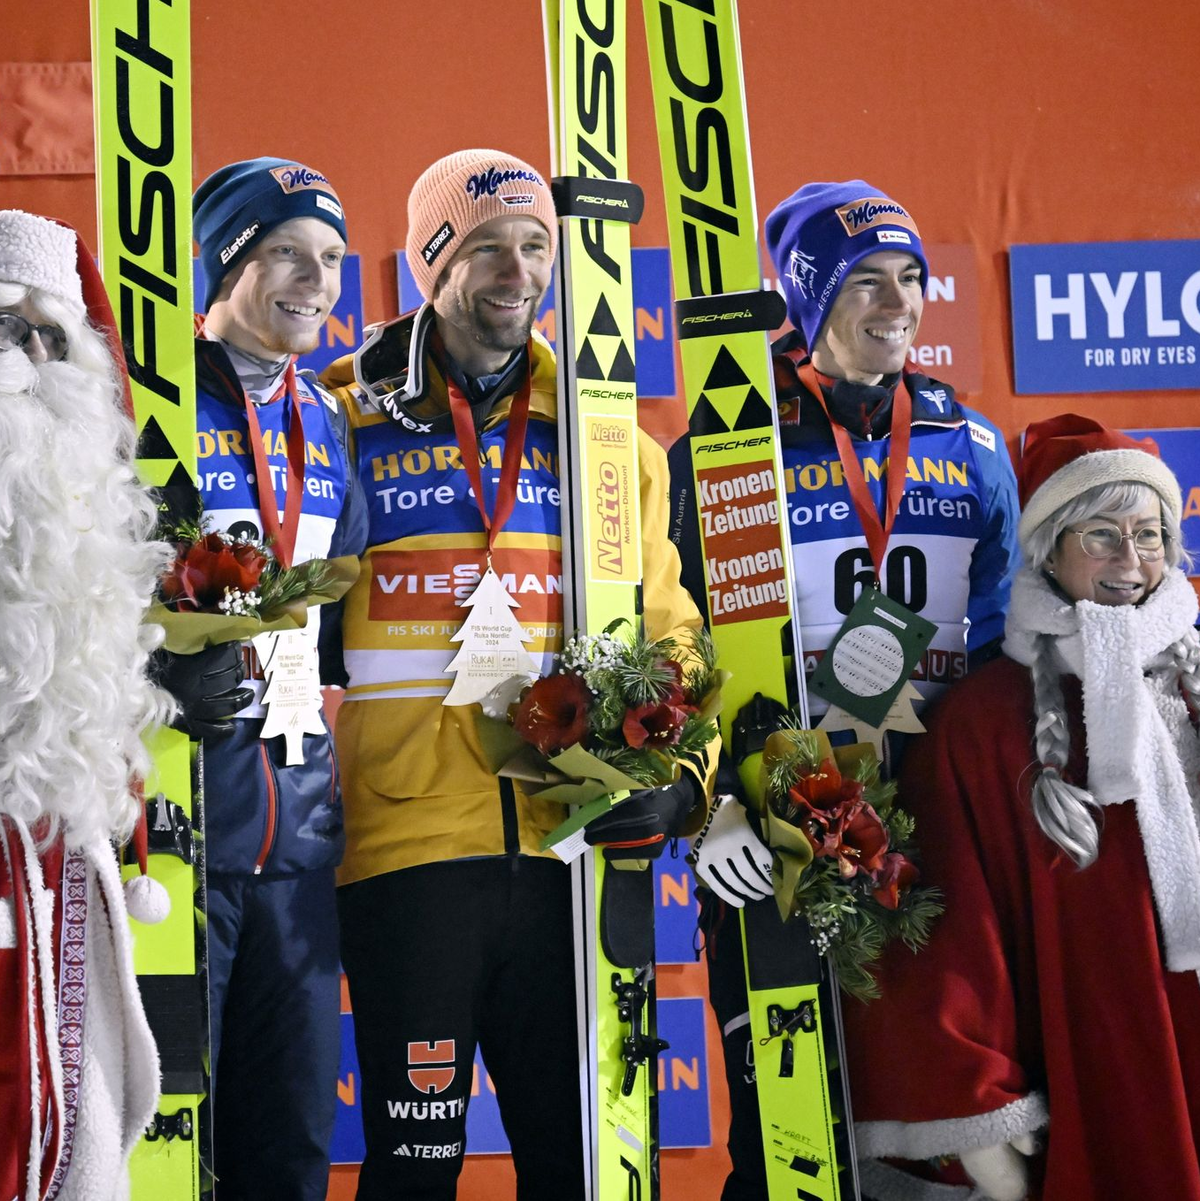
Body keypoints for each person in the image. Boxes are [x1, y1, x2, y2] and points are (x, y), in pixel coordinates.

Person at [320, 148, 713, 1200]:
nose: (517, 268)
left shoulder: (603, 431)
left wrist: (686, 774)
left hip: (569, 848)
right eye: (486, 245)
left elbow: (669, 626)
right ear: (428, 264)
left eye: (537, 245)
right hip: (405, 845)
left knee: (581, 1163)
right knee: (412, 1166)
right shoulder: (339, 419)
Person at [673, 180, 1022, 1200]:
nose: (899, 302)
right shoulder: (733, 441)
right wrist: (712, 800)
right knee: (792, 1126)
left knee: (945, 1119)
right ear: (809, 296)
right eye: (866, 280)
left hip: (939, 825)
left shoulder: (973, 443)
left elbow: (1005, 643)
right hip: (784, 820)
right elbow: (669, 638)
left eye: (911, 278)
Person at [843, 413, 1200, 1201]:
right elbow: (949, 934)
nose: (1129, 559)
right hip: (1084, 1071)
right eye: (1100, 534)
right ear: (1049, 549)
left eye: (1148, 533)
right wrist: (981, 1111)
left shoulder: (1193, 690)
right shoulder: (981, 723)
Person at [156, 158, 367, 1200]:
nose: (315, 279)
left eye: (331, 258)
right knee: (163, 1139)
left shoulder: (328, 425)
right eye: (287, 250)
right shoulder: (146, 402)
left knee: (287, 1148)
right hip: (177, 833)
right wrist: (158, 669)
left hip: (299, 848)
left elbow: (333, 631)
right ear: (228, 256)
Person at [0, 209, 166, 1199]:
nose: (24, 360)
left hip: (61, 873)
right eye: (0, 330)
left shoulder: (80, 513)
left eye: (46, 336)